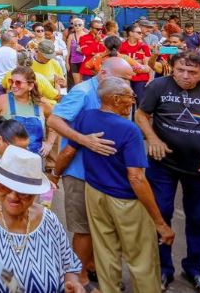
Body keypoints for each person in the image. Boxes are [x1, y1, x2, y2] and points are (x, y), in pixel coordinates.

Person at [53, 77, 174, 293]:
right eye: (130, 96)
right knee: (141, 256)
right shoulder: (129, 130)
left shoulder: (86, 117)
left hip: (94, 193)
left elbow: (68, 152)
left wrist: (55, 174)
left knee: (105, 251)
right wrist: (159, 221)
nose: (133, 100)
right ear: (116, 99)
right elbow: (136, 177)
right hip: (124, 200)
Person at [135, 51, 200, 293]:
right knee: (161, 213)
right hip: (162, 164)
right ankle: (163, 269)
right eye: (180, 70)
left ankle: (194, 268)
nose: (185, 76)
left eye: (192, 72)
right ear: (172, 68)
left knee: (198, 219)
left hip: (199, 167)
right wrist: (152, 138)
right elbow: (142, 114)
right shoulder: (159, 85)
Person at [0, 145, 83, 293]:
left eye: (22, 192)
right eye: (4, 187)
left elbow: (69, 266)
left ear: (34, 192)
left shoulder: (49, 220)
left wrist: (73, 284)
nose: (12, 196)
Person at [0, 65, 55, 156]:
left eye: (18, 83)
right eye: (11, 81)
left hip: (35, 160)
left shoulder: (41, 104)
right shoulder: (3, 100)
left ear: (30, 86)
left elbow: (55, 121)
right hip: (7, 159)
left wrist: (49, 143)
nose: (13, 86)